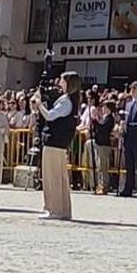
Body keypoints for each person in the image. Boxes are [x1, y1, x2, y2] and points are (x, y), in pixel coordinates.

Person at [31, 71, 81, 220]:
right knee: (59, 177)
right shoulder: (70, 100)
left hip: (54, 141)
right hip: (59, 142)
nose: (60, 83)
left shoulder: (66, 100)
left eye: (63, 80)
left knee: (52, 177)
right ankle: (62, 209)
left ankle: (54, 209)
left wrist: (40, 104)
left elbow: (50, 116)